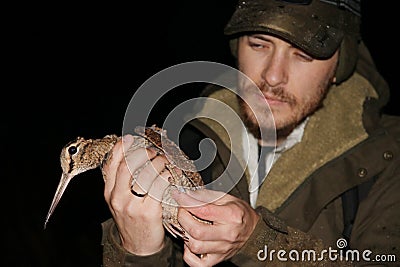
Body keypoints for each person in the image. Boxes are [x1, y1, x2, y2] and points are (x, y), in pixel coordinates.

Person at [100, 0, 400, 266]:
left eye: (303, 54)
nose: (272, 75)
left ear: (339, 65)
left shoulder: (388, 156)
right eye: (258, 44)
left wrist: (257, 242)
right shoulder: (187, 142)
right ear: (237, 48)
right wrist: (138, 251)